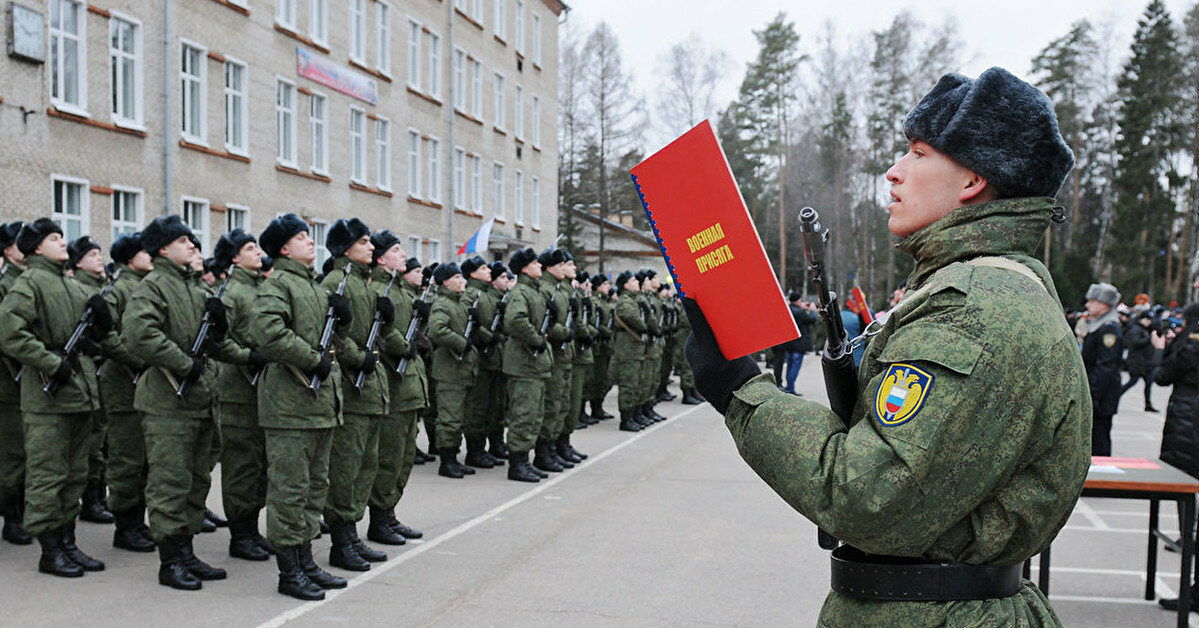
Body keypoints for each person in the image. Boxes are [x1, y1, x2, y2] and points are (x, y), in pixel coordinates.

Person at [683, 67, 1090, 624]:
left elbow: (867, 492)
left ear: (972, 180)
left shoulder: (975, 308)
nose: (894, 173)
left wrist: (739, 392)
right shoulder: (977, 288)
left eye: (918, 154)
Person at [123, 215, 244, 589]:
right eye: (182, 240)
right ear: (162, 249)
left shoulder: (194, 287)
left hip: (199, 399)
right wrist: (183, 363)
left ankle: (187, 551)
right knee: (169, 482)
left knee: (195, 480)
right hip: (167, 402)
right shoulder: (154, 286)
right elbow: (138, 334)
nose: (192, 244)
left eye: (192, 239)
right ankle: (170, 560)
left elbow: (210, 342)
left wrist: (220, 330)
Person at [0, 218, 115, 577]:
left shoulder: (68, 284)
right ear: (36, 248)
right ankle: (50, 550)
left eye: (62, 237)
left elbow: (95, 334)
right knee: (48, 474)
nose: (62, 242)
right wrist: (52, 363)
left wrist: (100, 320)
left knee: (74, 473)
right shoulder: (29, 282)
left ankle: (67, 542)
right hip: (47, 395)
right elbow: (10, 334)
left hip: (78, 393)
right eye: (53, 238)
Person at [250, 213, 347, 600]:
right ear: (284, 248)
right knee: (289, 491)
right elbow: (268, 333)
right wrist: (311, 359)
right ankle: (289, 572)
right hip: (290, 407)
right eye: (301, 237)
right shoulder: (280, 284)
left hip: (319, 404)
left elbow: (326, 338)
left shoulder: (312, 286)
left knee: (313, 488)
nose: (311, 241)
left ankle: (306, 561)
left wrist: (340, 319)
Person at [320, 218, 391, 572]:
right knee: (345, 468)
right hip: (350, 386)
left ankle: (352, 535)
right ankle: (340, 540)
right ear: (345, 248)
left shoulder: (363, 283)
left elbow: (369, 333)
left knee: (365, 465)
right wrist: (355, 357)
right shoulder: (337, 282)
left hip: (370, 387)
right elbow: (330, 334)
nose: (371, 247)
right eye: (363, 242)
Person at [211, 229, 272, 561]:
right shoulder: (231, 293)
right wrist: (249, 357)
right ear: (235, 258)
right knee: (241, 465)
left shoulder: (260, 289)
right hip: (238, 390)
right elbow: (219, 343)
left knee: (259, 463)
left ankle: (252, 529)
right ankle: (240, 534)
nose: (258, 253)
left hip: (261, 388)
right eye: (250, 249)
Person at [100, 232, 156, 553]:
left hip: (145, 384)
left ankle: (138, 521)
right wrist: (143, 361)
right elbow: (108, 337)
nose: (149, 255)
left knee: (145, 459)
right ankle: (125, 526)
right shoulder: (117, 290)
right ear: (128, 258)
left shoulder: (145, 286)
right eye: (143, 251)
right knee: (126, 458)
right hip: (124, 385)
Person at [369, 245, 426, 545]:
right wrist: (403, 346)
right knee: (388, 458)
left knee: (403, 457)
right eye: (395, 250)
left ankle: (389, 514)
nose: (403, 254)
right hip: (392, 385)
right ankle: (379, 520)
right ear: (381, 259)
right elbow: (385, 333)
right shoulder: (379, 289)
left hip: (410, 387)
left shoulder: (402, 290)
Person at [1150, 302, 1199, 611]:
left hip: (1188, 424)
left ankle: (1193, 589)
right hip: (1189, 423)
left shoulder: (1189, 344)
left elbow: (1163, 376)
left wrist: (1162, 348)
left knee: (1185, 497)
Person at [66, 236, 116, 525]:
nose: (99, 258)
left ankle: (97, 496)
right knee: (92, 441)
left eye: (100, 253)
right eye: (92, 254)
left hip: (98, 373)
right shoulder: (78, 288)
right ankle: (90, 500)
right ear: (78, 261)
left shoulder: (101, 288)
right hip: (85, 371)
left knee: (101, 438)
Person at [501, 248, 551, 482]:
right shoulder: (521, 292)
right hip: (524, 363)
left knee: (534, 415)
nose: (540, 265)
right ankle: (517, 465)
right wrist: (536, 340)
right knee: (523, 415)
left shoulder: (533, 291)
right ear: (524, 268)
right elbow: (515, 320)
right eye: (535, 263)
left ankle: (525, 462)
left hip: (534, 365)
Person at [0, 221, 28, 546]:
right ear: (7, 251)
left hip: (31, 383)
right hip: (9, 384)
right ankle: (12, 518)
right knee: (12, 454)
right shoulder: (5, 285)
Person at [1081, 283, 1123, 457]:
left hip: (1101, 398)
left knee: (1099, 444)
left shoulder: (1109, 328)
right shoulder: (1099, 325)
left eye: (1092, 301)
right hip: (1098, 395)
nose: (1087, 305)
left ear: (1104, 304)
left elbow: (1106, 366)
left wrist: (1092, 394)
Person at [1121, 311, 1159, 412]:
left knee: (1148, 383)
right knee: (1132, 382)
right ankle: (1115, 395)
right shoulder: (1135, 329)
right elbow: (1135, 343)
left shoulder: (1143, 329)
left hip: (1145, 363)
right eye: (1147, 319)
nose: (1148, 322)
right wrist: (1149, 338)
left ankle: (1148, 404)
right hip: (1137, 362)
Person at [781, 294, 818, 395]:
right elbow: (812, 319)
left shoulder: (788, 310)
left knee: (789, 365)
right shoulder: (800, 312)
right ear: (797, 301)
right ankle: (790, 388)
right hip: (799, 344)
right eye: (801, 300)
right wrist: (813, 310)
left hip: (789, 343)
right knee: (795, 366)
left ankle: (788, 386)